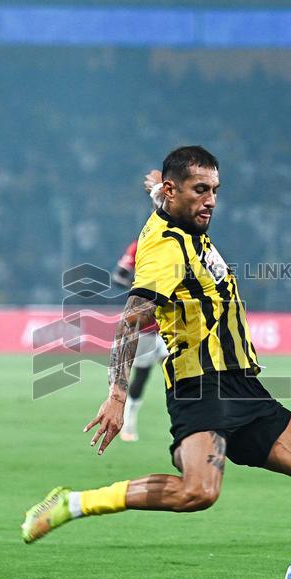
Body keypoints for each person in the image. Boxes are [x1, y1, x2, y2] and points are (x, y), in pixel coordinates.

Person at [22, 146, 291, 579]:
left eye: (214, 190)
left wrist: (155, 186)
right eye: (200, 190)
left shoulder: (182, 216)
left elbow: (164, 198)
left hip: (244, 385)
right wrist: (117, 392)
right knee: (197, 492)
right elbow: (130, 320)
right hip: (201, 387)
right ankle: (73, 503)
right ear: (174, 192)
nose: (210, 201)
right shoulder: (165, 250)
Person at [111, 171, 170, 442]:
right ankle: (130, 422)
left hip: (175, 327)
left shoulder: (183, 242)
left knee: (182, 374)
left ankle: (186, 425)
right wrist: (142, 288)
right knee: (143, 375)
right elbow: (119, 276)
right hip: (148, 326)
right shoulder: (141, 244)